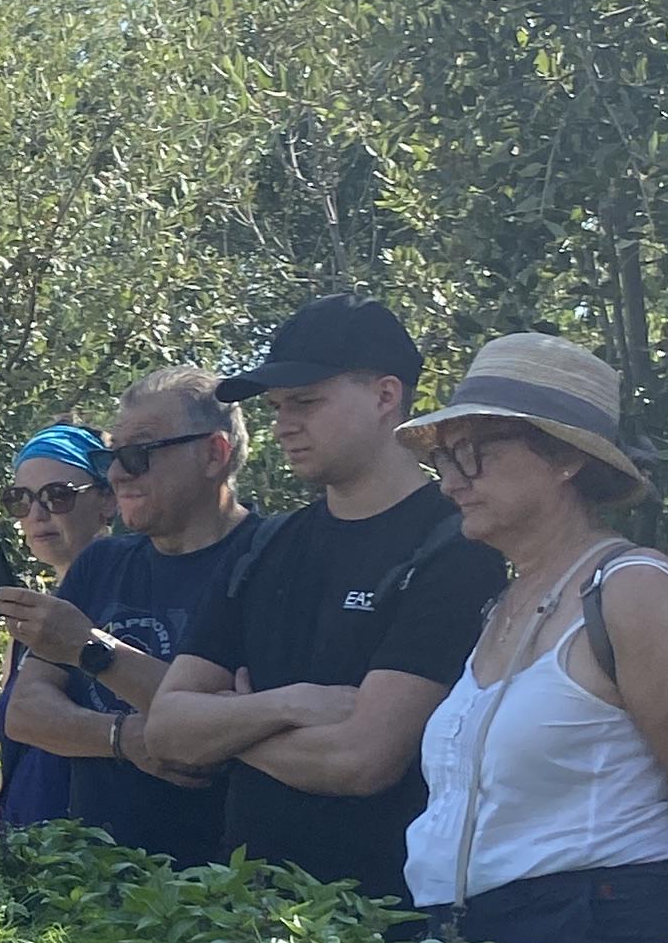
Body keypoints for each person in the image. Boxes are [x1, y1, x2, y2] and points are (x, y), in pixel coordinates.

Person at [393, 336, 668, 943]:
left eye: (474, 453)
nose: (451, 482)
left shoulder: (633, 592)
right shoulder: (505, 604)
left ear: (565, 458)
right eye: (444, 458)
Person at [143, 299, 503, 899]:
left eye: (306, 402)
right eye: (278, 407)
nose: (284, 424)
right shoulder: (264, 546)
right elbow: (167, 729)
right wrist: (291, 704)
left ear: (387, 396)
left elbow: (362, 761)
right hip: (244, 925)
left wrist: (229, 731)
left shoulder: (457, 548)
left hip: (388, 939)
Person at [0, 372, 258, 867]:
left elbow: (238, 728)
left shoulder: (269, 559)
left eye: (139, 454)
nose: (118, 475)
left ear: (214, 454)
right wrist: (124, 737)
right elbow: (25, 713)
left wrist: (89, 650)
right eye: (111, 457)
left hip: (217, 889)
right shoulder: (103, 564)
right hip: (84, 879)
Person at [0, 427, 117, 830]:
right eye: (21, 500)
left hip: (102, 843)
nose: (37, 515)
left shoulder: (131, 602)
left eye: (57, 496)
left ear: (107, 500)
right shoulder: (29, 620)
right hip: (26, 840)